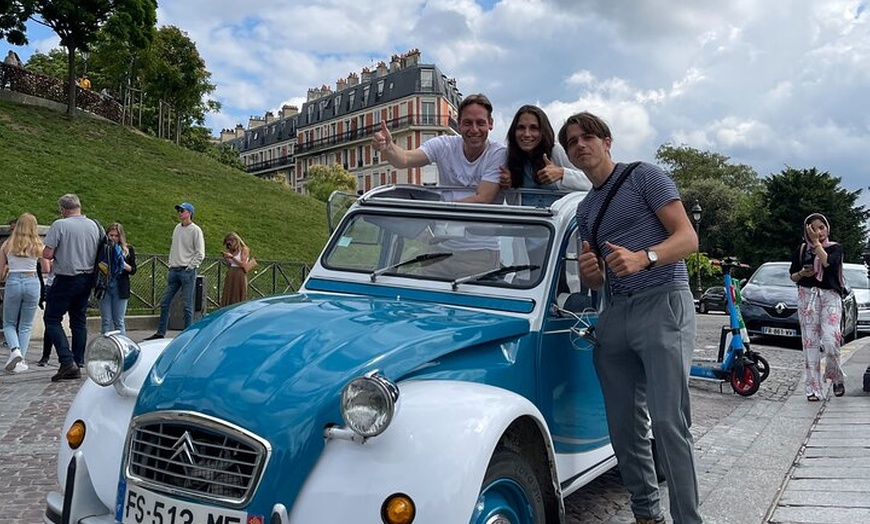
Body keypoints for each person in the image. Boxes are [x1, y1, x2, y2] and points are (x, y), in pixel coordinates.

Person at [559, 111, 702, 524]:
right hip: (617, 312)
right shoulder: (586, 208)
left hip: (663, 301)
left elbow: (688, 238)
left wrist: (645, 257)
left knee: (669, 423)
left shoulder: (644, 176)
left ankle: (689, 520)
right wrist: (593, 276)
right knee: (622, 427)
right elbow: (600, 278)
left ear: (607, 142)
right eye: (571, 142)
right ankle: (646, 514)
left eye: (587, 137)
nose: (579, 145)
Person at [372, 93, 504, 203]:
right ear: (458, 125)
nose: (474, 130)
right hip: (445, 225)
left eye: (480, 123)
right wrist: (388, 147)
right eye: (468, 123)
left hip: (484, 229)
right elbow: (405, 159)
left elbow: (483, 199)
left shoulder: (498, 153)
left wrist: (437, 210)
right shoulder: (443, 145)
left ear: (490, 124)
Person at [42, 194, 102, 381]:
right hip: (87, 278)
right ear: (79, 207)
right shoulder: (94, 225)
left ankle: (67, 361)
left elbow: (48, 253)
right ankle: (78, 359)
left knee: (51, 318)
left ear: (63, 209)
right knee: (78, 320)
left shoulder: (60, 225)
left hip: (66, 277)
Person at [789, 213, 846, 400]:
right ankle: (813, 388)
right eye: (813, 228)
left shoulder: (835, 248)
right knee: (810, 344)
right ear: (807, 230)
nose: (819, 232)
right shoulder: (802, 249)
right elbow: (793, 276)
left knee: (830, 341)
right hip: (807, 296)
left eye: (822, 227)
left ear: (827, 228)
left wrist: (817, 244)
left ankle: (836, 376)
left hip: (830, 296)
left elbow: (828, 264)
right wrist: (802, 273)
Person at [145, 202, 205, 340]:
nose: (180, 212)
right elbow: (174, 247)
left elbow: (200, 253)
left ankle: (187, 334)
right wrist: (171, 264)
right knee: (165, 301)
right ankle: (160, 332)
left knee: (187, 304)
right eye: (179, 210)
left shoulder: (196, 230)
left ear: (189, 213)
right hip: (175, 269)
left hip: (187, 270)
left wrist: (190, 266)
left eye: (182, 210)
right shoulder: (177, 228)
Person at [500, 104, 592, 194]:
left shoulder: (556, 151)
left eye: (534, 128)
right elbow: (510, 199)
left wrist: (562, 173)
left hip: (558, 208)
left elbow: (590, 182)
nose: (527, 134)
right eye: (521, 128)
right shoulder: (509, 156)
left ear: (543, 131)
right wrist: (508, 183)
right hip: (524, 209)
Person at [1, 213, 49, 373]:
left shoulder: (8, 244)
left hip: (14, 280)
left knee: (9, 322)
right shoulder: (38, 244)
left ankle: (15, 350)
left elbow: (0, 272)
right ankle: (20, 360)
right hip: (32, 280)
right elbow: (46, 269)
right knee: (26, 325)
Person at [99, 223, 137, 336]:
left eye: (116, 236)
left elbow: (133, 270)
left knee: (119, 320)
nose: (113, 238)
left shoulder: (127, 249)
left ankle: (122, 347)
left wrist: (124, 265)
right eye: (111, 235)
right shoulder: (103, 248)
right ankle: (106, 347)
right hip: (105, 285)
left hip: (120, 286)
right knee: (106, 320)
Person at [220, 232, 252, 306]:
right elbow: (230, 264)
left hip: (239, 273)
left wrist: (232, 257)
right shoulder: (232, 251)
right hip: (231, 272)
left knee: (237, 293)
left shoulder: (244, 249)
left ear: (236, 241)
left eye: (231, 242)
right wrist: (226, 258)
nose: (230, 245)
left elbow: (243, 264)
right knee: (229, 292)